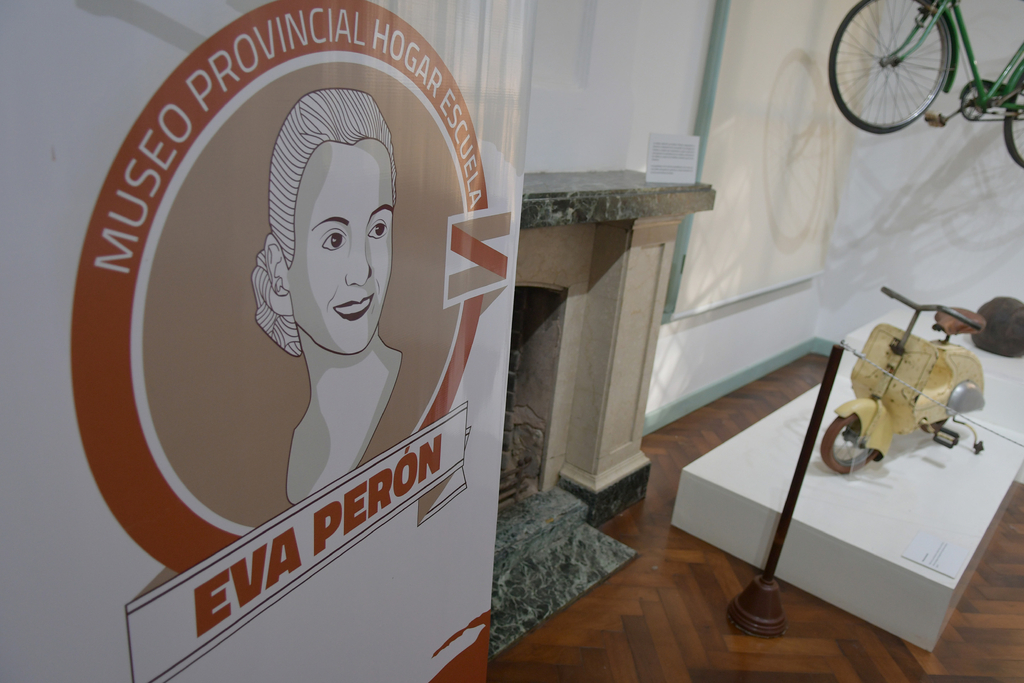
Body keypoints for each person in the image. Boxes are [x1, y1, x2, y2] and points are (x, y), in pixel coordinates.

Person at [252, 89, 401, 504]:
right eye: (334, 239)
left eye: (377, 230)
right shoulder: (281, 443)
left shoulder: (405, 387)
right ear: (280, 273)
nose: (362, 270)